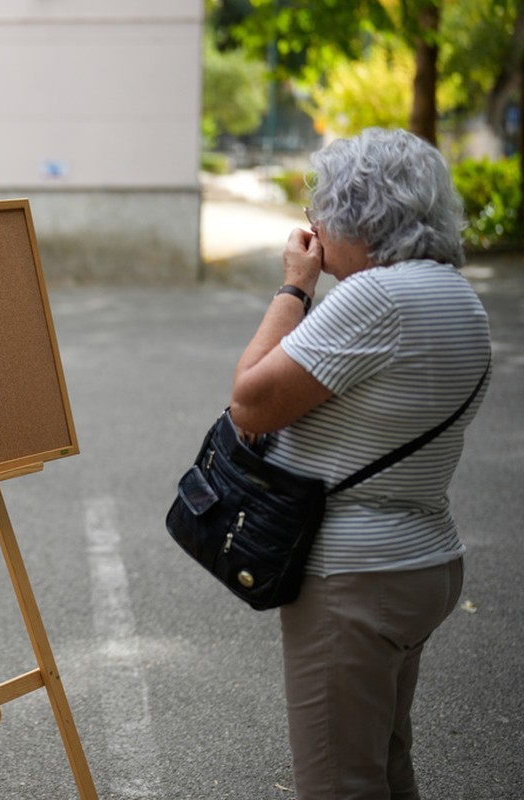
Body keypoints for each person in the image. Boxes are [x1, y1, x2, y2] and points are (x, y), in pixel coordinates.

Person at [229, 127, 492, 799]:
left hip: (353, 579)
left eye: (324, 211)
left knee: (339, 784)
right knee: (385, 764)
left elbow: (250, 403)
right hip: (422, 558)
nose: (314, 226)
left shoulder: (375, 300)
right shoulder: (458, 297)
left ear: (358, 215)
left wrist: (294, 288)